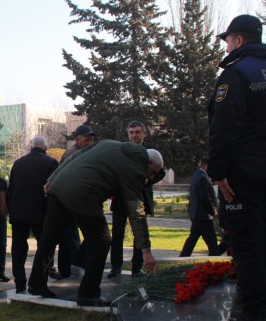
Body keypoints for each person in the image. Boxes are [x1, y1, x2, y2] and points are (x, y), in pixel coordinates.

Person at [207, 14, 266, 321]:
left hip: (241, 171)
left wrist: (219, 173)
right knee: (260, 242)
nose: (226, 45)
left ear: (239, 40)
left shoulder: (236, 73)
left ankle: (250, 320)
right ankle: (260, 314)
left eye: (228, 39)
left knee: (246, 244)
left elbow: (224, 127)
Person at [28, 140, 162, 306]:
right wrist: (146, 250)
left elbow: (75, 156)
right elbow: (137, 211)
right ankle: (88, 295)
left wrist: (52, 178)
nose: (150, 177)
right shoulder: (135, 168)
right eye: (152, 172)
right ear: (148, 162)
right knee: (101, 241)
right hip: (83, 193)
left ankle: (35, 284)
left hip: (60, 186)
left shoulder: (110, 143)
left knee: (50, 237)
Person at [108, 120, 165, 277]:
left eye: (137, 132)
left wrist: (148, 180)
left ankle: (137, 267)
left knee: (139, 233)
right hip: (121, 198)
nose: (134, 135)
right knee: (117, 234)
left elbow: (161, 172)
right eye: (131, 132)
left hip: (141, 199)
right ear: (128, 134)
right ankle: (115, 266)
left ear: (144, 134)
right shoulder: (123, 151)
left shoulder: (150, 153)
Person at [7, 136, 59, 293]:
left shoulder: (18, 163)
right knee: (44, 247)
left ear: (31, 147)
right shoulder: (51, 163)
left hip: (19, 214)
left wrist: (12, 210)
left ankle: (20, 283)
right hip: (40, 213)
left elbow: (10, 190)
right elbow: (52, 190)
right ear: (46, 148)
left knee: (18, 248)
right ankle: (39, 282)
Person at [56, 125, 96, 279]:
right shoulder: (72, 154)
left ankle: (71, 267)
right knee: (89, 234)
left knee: (72, 236)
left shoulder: (83, 152)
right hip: (73, 201)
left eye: (91, 139)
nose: (90, 141)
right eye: (87, 139)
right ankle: (71, 267)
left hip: (77, 200)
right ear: (77, 139)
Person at [179, 158, 224, 257]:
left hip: (196, 214)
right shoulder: (203, 177)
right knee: (211, 242)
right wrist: (212, 211)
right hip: (203, 215)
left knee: (192, 239)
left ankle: (183, 257)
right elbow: (205, 197)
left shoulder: (196, 175)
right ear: (207, 166)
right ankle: (217, 255)